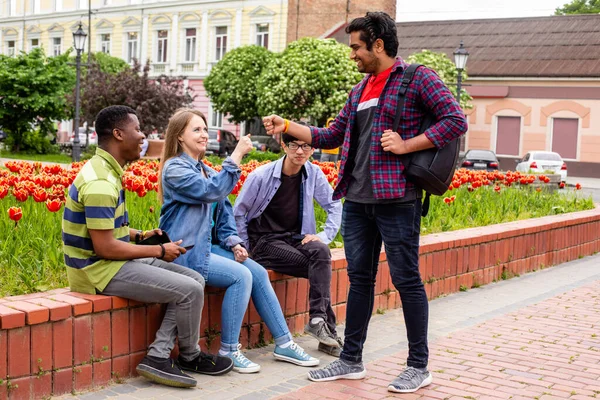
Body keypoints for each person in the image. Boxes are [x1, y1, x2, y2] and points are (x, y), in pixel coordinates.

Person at [262, 11, 468, 393]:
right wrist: (287, 126)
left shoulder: (417, 77)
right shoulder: (360, 90)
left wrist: (408, 145)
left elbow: (455, 120)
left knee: (407, 281)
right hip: (357, 198)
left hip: (397, 198)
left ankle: (418, 366)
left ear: (378, 44)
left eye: (356, 47)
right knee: (359, 281)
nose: (352, 54)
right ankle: (351, 359)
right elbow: (332, 134)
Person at [62, 105, 233, 389]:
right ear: (118, 134)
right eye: (137, 130)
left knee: (194, 277)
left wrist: (140, 235)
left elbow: (107, 229)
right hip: (96, 271)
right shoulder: (101, 182)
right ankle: (169, 356)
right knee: (189, 289)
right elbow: (106, 248)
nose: (143, 136)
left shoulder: (105, 169)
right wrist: (158, 251)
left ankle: (184, 355)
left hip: (108, 262)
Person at [158, 109, 319, 373]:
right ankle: (229, 350)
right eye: (195, 130)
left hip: (208, 249)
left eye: (204, 128)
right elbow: (211, 191)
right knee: (240, 276)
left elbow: (224, 215)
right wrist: (236, 156)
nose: (203, 134)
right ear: (179, 137)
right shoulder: (174, 169)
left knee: (255, 271)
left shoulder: (205, 169)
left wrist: (234, 243)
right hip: (185, 254)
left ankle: (284, 343)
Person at [233, 129, 343, 357]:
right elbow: (238, 213)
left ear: (313, 150)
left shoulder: (313, 173)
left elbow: (334, 204)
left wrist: (323, 236)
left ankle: (317, 320)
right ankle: (327, 331)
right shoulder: (261, 176)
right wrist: (244, 246)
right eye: (294, 145)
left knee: (321, 251)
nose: (300, 151)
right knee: (320, 270)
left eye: (306, 146)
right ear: (284, 147)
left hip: (295, 239)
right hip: (264, 242)